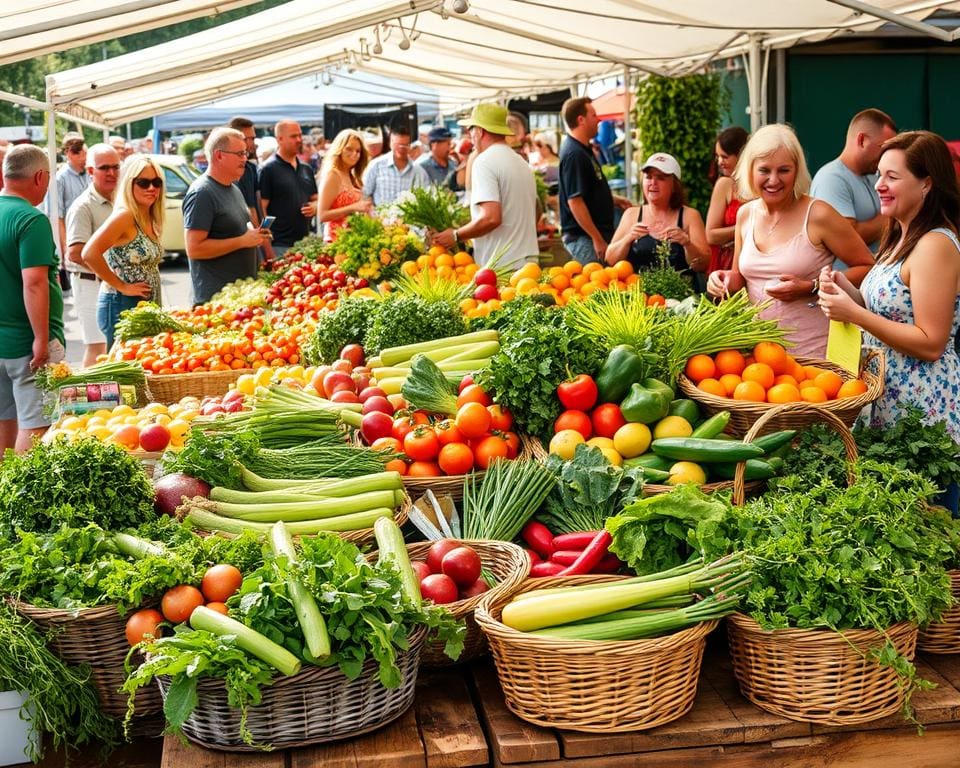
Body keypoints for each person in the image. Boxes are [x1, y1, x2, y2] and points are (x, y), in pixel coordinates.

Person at [817, 130, 960, 511]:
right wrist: (842, 290)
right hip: (889, 405)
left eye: (892, 177)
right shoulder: (899, 235)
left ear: (927, 183)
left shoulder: (935, 245)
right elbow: (884, 309)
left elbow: (931, 341)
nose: (879, 185)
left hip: (923, 412)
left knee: (931, 530)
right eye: (878, 175)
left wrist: (856, 313)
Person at [706, 124, 874, 356]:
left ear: (797, 171)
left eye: (784, 170)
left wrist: (812, 287)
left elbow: (867, 268)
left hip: (816, 357)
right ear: (750, 171)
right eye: (764, 170)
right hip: (762, 359)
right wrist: (720, 279)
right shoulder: (747, 215)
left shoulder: (818, 214)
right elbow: (739, 280)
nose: (773, 180)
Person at [0, 145, 66, 454]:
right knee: (37, 425)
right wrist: (41, 338)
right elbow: (35, 283)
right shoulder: (31, 220)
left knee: (4, 419)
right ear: (39, 176)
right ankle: (21, 498)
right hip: (26, 343)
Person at [431, 103, 538, 270]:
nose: (470, 136)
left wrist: (456, 235)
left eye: (471, 130)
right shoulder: (521, 162)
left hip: (501, 266)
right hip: (528, 264)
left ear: (480, 131)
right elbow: (536, 210)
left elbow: (491, 217)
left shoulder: (484, 161)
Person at [82, 156, 165, 351]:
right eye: (143, 183)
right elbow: (89, 253)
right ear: (130, 184)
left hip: (143, 305)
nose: (151, 188)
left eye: (156, 182)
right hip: (123, 304)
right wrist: (121, 286)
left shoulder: (149, 216)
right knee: (123, 373)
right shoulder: (125, 216)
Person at [182, 128, 271, 306]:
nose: (245, 159)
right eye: (239, 154)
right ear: (219, 156)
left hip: (240, 296)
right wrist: (243, 241)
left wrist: (255, 235)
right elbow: (194, 248)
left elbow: (234, 230)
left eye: (245, 153)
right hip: (215, 302)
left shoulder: (233, 188)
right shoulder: (202, 193)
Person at [606, 153, 711, 281]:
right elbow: (610, 260)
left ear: (674, 185)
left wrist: (687, 243)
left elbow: (703, 264)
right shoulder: (631, 214)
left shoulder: (690, 216)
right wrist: (628, 239)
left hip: (681, 297)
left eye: (660, 178)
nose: (653, 183)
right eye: (648, 177)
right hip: (638, 295)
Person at [811, 108, 897, 254]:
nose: (886, 155)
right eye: (883, 148)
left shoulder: (874, 175)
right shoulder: (831, 179)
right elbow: (846, 238)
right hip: (844, 276)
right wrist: (894, 214)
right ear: (862, 140)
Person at [65, 143, 120, 367]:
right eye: (104, 168)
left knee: (115, 347)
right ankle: (89, 401)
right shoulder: (82, 207)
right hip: (91, 284)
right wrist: (113, 275)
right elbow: (76, 253)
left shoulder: (121, 200)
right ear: (90, 171)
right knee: (98, 349)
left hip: (112, 283)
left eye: (116, 167)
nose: (111, 173)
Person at [558, 96, 631, 265]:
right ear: (581, 120)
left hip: (591, 236)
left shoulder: (582, 149)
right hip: (584, 238)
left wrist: (613, 200)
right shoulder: (574, 154)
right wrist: (596, 238)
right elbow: (575, 202)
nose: (598, 120)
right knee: (597, 285)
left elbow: (587, 191)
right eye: (594, 115)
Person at [259, 119, 318, 258]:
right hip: (280, 245)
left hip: (305, 243)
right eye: (293, 136)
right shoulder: (268, 169)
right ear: (279, 139)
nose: (299, 140)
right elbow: (262, 209)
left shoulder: (306, 168)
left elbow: (316, 199)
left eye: (300, 135)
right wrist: (267, 246)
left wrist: (314, 207)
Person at [45, 134, 89, 282]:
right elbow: (57, 217)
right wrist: (64, 249)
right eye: (78, 152)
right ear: (68, 153)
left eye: (83, 151)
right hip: (73, 240)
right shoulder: (59, 179)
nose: (82, 156)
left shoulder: (88, 174)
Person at [316, 129, 373, 244]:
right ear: (339, 149)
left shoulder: (352, 176)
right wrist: (354, 207)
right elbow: (322, 215)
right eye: (349, 149)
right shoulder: (333, 175)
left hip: (353, 242)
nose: (354, 154)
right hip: (336, 242)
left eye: (358, 151)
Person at [706, 126, 750, 275]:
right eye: (717, 156)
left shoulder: (760, 184)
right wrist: (746, 226)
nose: (719, 162)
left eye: (724, 157)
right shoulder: (725, 184)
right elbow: (711, 235)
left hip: (754, 262)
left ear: (741, 155)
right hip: (726, 265)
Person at [362, 124, 429, 207]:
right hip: (379, 218)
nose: (401, 148)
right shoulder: (376, 166)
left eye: (405, 145)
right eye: (398, 144)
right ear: (390, 143)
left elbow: (426, 200)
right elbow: (365, 194)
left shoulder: (419, 172)